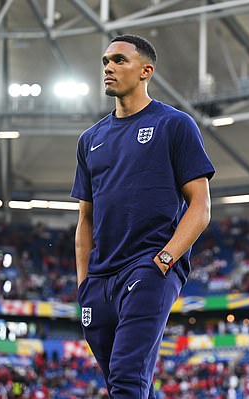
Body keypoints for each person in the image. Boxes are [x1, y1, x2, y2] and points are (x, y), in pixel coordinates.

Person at [71, 34, 215, 398]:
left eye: (119, 60)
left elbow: (200, 207)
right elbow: (85, 219)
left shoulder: (175, 125)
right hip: (100, 279)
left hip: (148, 267)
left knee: (125, 377)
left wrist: (163, 261)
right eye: (105, 61)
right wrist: (84, 282)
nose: (108, 67)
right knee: (127, 383)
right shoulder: (90, 140)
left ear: (146, 70)